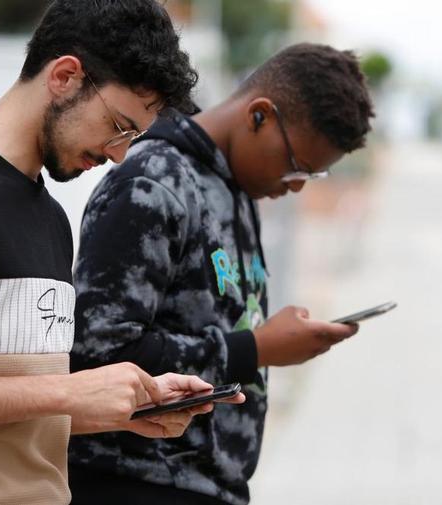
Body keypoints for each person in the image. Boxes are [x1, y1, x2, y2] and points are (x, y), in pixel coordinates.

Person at [0, 1, 243, 504]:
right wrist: (67, 393)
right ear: (65, 76)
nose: (119, 153)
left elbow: (10, 414)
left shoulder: (51, 217)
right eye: (119, 125)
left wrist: (125, 405)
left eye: (135, 137)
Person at [68, 43, 375, 504]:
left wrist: (264, 342)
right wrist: (256, 348)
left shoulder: (235, 190)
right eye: (298, 168)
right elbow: (97, 352)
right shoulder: (152, 182)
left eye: (310, 179)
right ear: (259, 116)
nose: (294, 187)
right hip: (135, 481)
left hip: (211, 486)